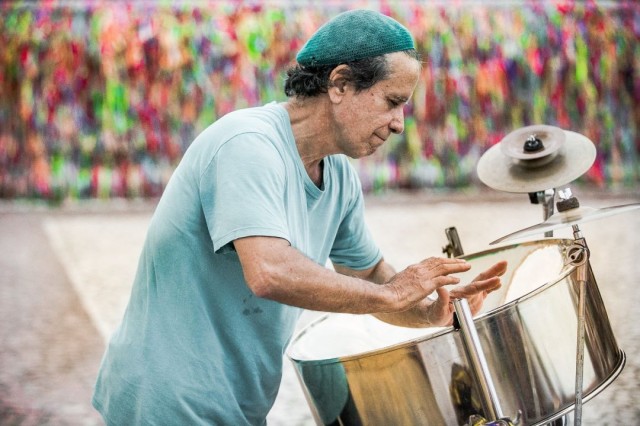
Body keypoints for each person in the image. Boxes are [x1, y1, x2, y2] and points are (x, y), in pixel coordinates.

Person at [92, 9, 507, 425]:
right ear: (340, 84)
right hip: (164, 402)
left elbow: (368, 277)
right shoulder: (248, 145)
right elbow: (269, 270)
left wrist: (431, 309)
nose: (399, 124)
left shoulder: (338, 173)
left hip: (235, 407)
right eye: (393, 102)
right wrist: (392, 294)